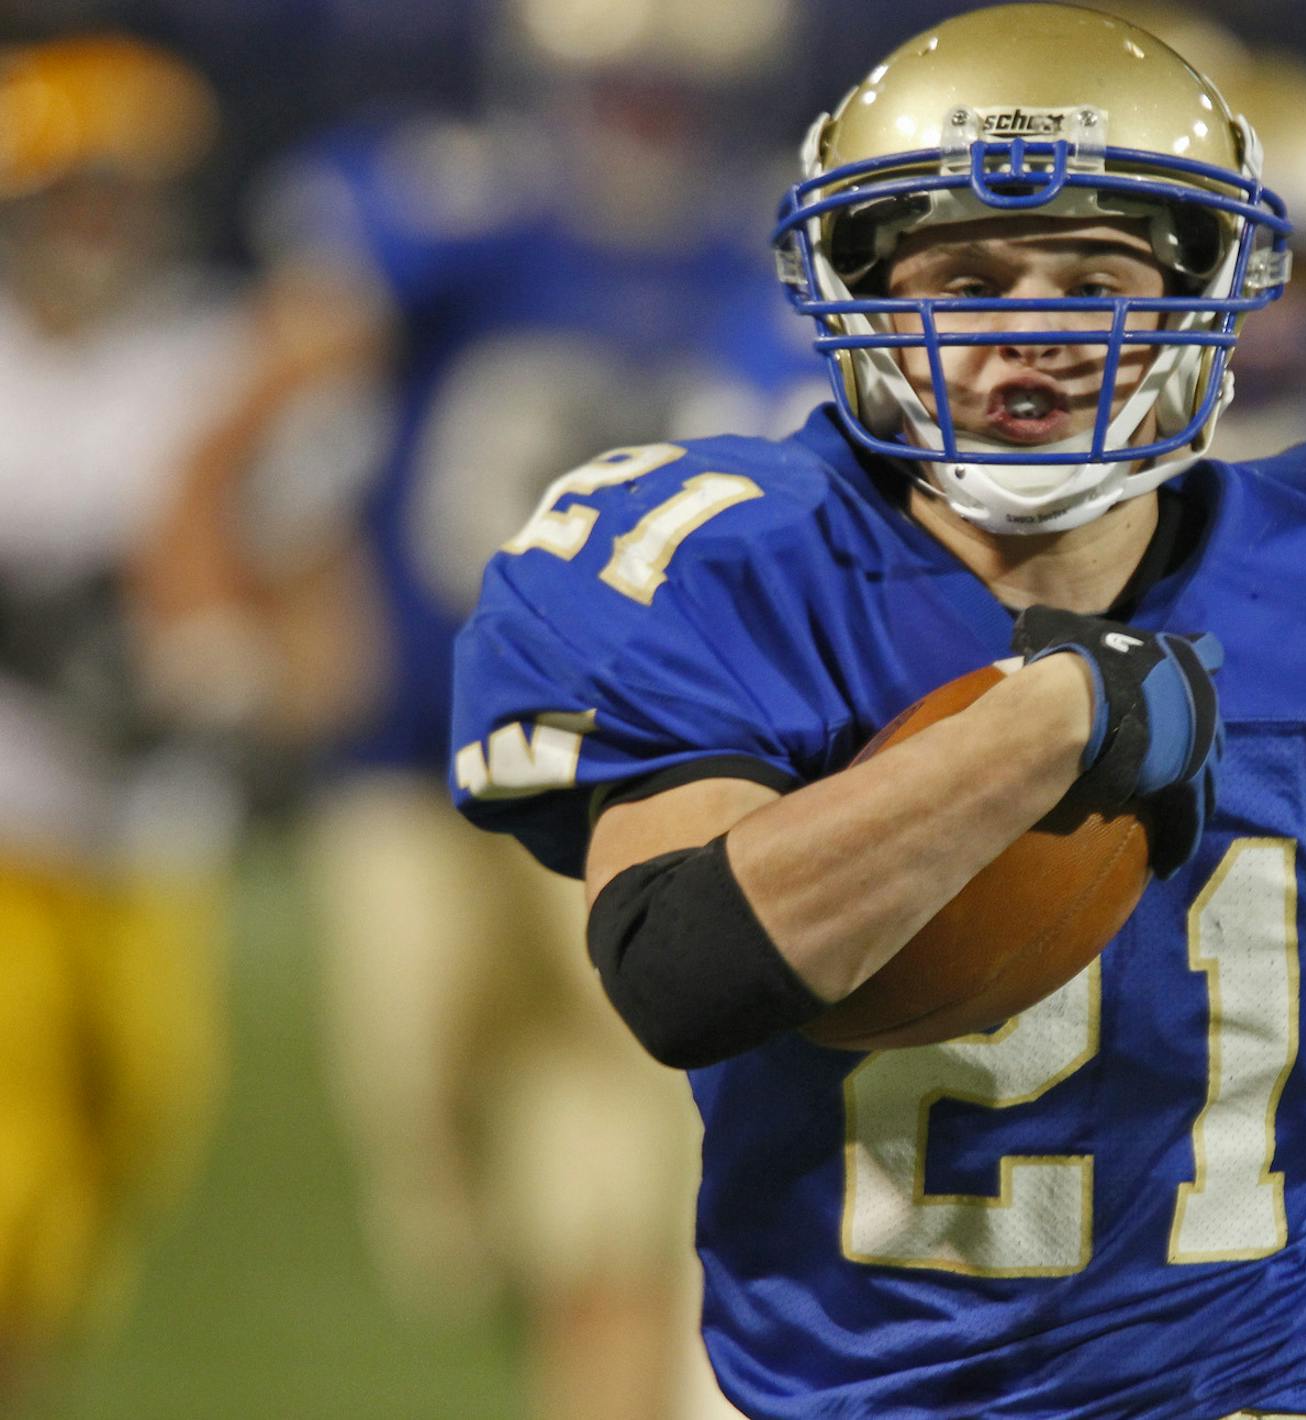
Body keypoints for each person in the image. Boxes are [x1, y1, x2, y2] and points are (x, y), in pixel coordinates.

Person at [449, 7, 1306, 1418]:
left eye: (1089, 277)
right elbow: (680, 970)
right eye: (971, 279)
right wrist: (1044, 723)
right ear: (859, 293)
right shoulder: (732, 568)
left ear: (1207, 292)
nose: (1032, 338)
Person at [151, 2, 815, 1415]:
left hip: (635, 760)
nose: (641, 119)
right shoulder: (455, 216)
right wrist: (239, 592)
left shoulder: (764, 256)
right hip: (411, 748)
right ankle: (566, 1306)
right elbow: (258, 406)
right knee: (430, 1138)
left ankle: (612, 1333)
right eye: (617, 86)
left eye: (667, 91)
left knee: (628, 1129)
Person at [0, 33, 242, 1408]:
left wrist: (246, 686)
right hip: (8, 838)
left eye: (120, 192)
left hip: (156, 840)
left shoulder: (211, 362)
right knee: (8, 1181)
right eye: (73, 192)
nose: (101, 222)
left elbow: (287, 595)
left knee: (124, 1152)